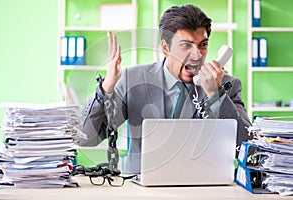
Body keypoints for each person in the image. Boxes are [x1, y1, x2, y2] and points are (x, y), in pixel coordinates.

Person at [79, 4, 252, 174]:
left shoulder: (227, 86)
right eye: (185, 45)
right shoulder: (133, 80)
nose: (197, 55)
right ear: (165, 48)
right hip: (142, 188)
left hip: (205, 187)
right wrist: (106, 87)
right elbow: (86, 138)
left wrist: (216, 95)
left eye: (203, 45)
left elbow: (249, 153)